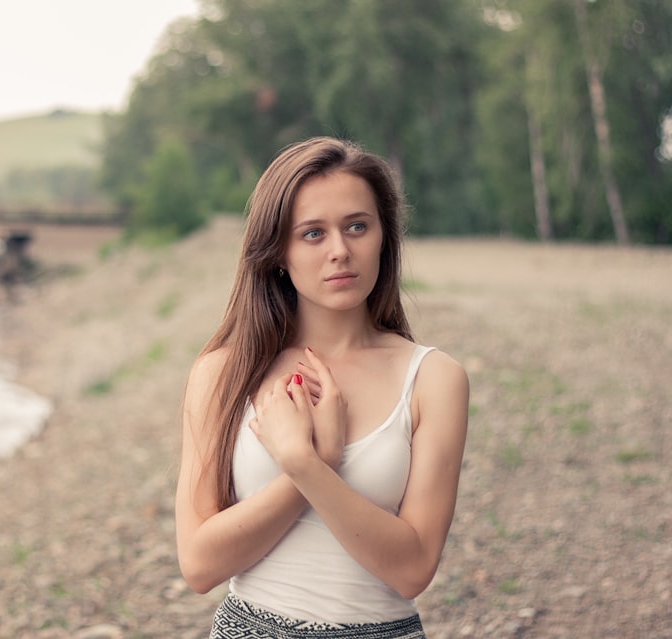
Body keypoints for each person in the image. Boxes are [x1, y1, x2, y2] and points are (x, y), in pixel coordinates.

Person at [176, 136, 470, 639]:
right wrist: (310, 464)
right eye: (313, 234)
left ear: (384, 237)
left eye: (357, 226)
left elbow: (413, 569)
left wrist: (308, 465)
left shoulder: (433, 379)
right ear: (277, 253)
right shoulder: (224, 373)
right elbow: (201, 565)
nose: (340, 251)